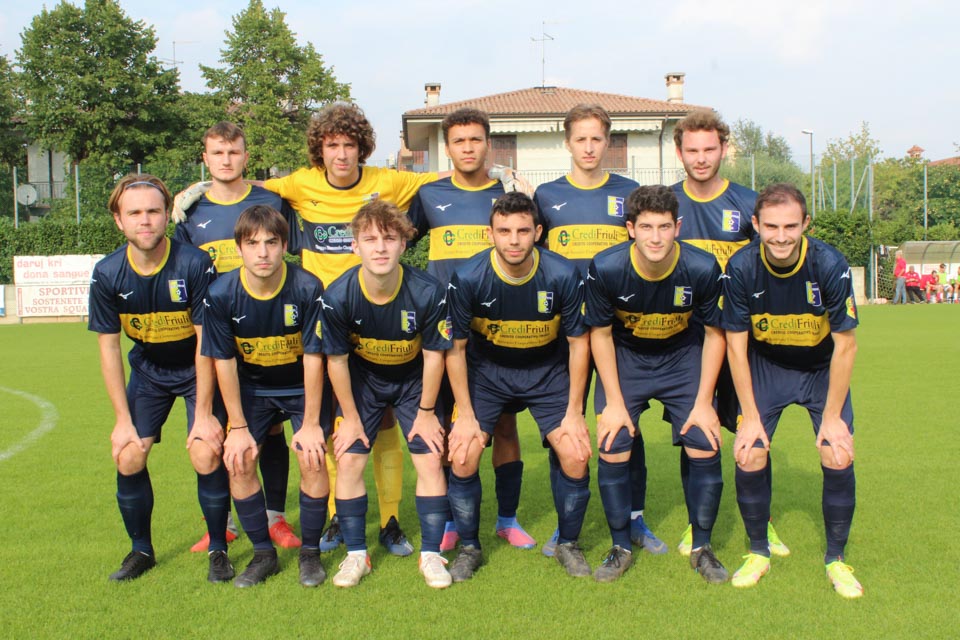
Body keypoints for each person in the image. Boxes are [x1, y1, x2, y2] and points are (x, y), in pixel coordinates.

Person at [262, 102, 438, 556]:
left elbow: (446, 180)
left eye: (349, 145)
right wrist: (198, 187)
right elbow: (247, 189)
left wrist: (501, 173)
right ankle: (340, 515)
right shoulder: (300, 183)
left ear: (363, 148)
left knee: (385, 424)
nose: (341, 154)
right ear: (319, 150)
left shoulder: (388, 181)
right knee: (338, 426)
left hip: (379, 319)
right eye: (332, 145)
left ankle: (390, 519)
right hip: (329, 324)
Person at [533, 104, 665, 556]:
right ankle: (565, 525)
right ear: (567, 142)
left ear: (608, 142)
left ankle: (635, 519)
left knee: (625, 425)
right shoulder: (547, 195)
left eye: (596, 139)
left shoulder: (629, 193)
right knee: (563, 428)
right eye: (580, 139)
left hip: (617, 331)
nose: (589, 147)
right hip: (564, 333)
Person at [89, 174, 233, 583]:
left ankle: (219, 549)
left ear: (167, 214)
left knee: (205, 452)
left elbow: (207, 342)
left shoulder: (194, 263)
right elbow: (108, 349)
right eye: (134, 212)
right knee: (128, 454)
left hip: (196, 369)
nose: (145, 220)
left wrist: (203, 413)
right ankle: (141, 550)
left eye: (153, 211)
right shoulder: (107, 273)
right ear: (119, 220)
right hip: (149, 372)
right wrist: (122, 420)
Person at [722, 183, 862, 598]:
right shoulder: (741, 266)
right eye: (771, 226)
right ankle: (758, 552)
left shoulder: (829, 264)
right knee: (749, 451)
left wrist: (833, 418)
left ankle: (836, 559)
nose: (780, 236)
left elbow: (846, 345)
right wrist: (749, 417)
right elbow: (735, 345)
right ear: (755, 224)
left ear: (805, 224)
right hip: (767, 367)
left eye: (790, 226)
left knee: (837, 451)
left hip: (819, 369)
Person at [445, 191, 592, 582]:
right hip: (487, 374)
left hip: (546, 373)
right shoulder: (468, 277)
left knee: (576, 454)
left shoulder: (562, 274)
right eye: (504, 231)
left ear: (538, 232)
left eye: (523, 231)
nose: (514, 240)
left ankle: (568, 544)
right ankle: (470, 548)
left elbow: (579, 344)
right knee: (463, 455)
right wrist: (464, 414)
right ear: (489, 233)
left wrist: (575, 412)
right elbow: (455, 350)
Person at [585, 185, 728, 583]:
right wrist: (614, 402)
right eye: (646, 227)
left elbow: (715, 334)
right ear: (630, 228)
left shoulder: (702, 266)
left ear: (677, 227)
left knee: (704, 441)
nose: (655, 237)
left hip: (682, 357)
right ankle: (620, 547)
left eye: (664, 227)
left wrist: (704, 402)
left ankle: (702, 547)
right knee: (613, 442)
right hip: (627, 358)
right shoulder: (606, 266)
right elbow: (599, 334)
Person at [407, 107, 535, 550]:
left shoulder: (508, 193)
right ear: (448, 147)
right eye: (459, 141)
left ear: (488, 144)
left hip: (496, 329)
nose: (467, 148)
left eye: (475, 140)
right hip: (445, 334)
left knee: (504, 427)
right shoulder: (429, 194)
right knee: (447, 425)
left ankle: (507, 519)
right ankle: (449, 521)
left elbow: (532, 242)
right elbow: (396, 240)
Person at [174, 121, 300, 552]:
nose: (226, 160)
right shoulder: (190, 211)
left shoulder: (272, 201)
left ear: (246, 157)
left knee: (272, 431)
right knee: (216, 432)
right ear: (205, 158)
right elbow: (183, 269)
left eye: (234, 152)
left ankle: (275, 518)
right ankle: (221, 523)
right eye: (217, 153)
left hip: (269, 334)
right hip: (216, 337)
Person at [670, 110, 788, 558]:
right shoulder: (668, 205)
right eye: (692, 150)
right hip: (689, 344)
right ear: (679, 152)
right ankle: (696, 524)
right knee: (696, 434)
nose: (701, 158)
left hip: (742, 341)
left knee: (752, 433)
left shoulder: (748, 203)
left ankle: (764, 524)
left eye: (709, 149)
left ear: (724, 149)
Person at [322, 201, 452, 588]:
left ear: (404, 244)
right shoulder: (338, 295)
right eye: (370, 239)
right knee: (349, 460)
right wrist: (351, 418)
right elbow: (336, 361)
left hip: (414, 381)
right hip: (363, 382)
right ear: (355, 246)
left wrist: (426, 412)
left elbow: (434, 356)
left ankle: (431, 556)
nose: (380, 247)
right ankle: (356, 556)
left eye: (390, 238)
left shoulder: (428, 291)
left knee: (430, 459)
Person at [202, 205, 329, 588]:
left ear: (285, 246)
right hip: (252, 390)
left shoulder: (307, 287)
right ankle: (263, 554)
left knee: (312, 457)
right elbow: (223, 362)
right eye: (252, 243)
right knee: (239, 460)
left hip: (300, 386)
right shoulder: (220, 294)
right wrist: (238, 427)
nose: (263, 252)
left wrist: (310, 423)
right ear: (238, 248)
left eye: (271, 243)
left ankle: (310, 554)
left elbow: (314, 358)